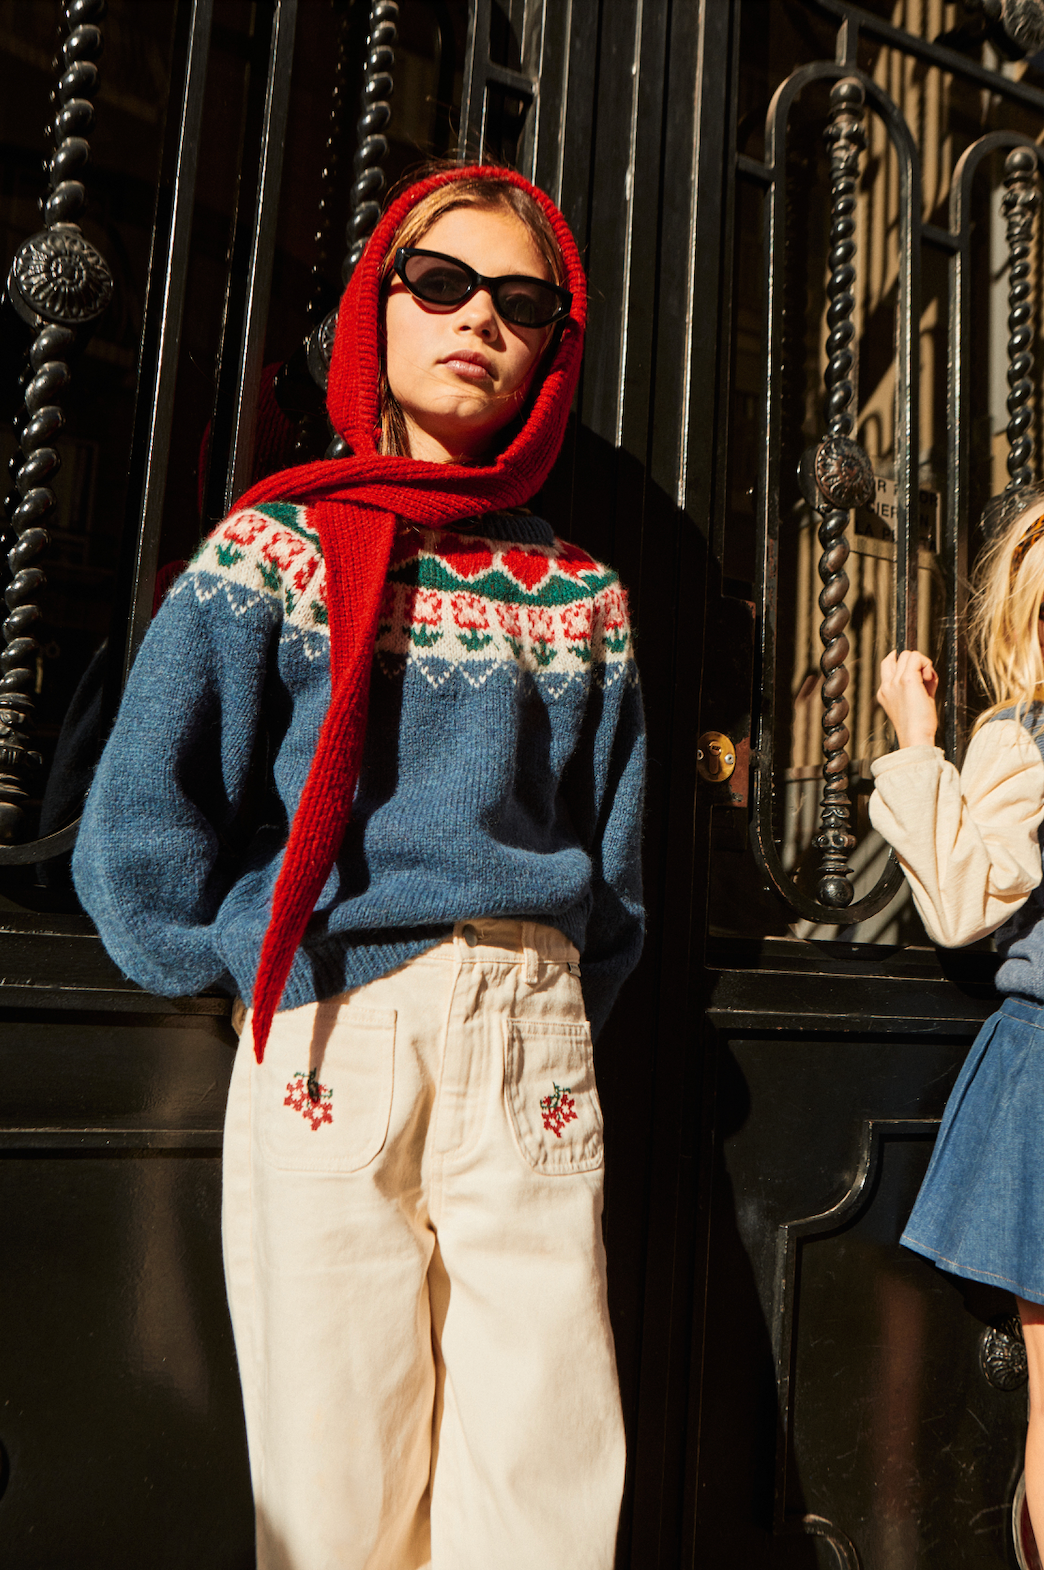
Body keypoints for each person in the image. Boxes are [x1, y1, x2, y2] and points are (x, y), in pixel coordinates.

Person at [71, 164, 645, 1570]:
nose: (479, 322)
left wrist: (558, 997)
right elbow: (140, 818)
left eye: (523, 304)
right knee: (331, 1483)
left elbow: (619, 863)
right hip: (335, 1015)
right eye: (439, 284)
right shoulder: (273, 546)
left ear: (550, 354)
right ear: (373, 307)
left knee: (547, 1474)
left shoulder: (586, 594)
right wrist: (235, 961)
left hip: (533, 1020)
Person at [870, 494, 1044, 1563]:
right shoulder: (1024, 737)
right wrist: (923, 748)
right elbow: (969, 899)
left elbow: (965, 898)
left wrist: (921, 744)